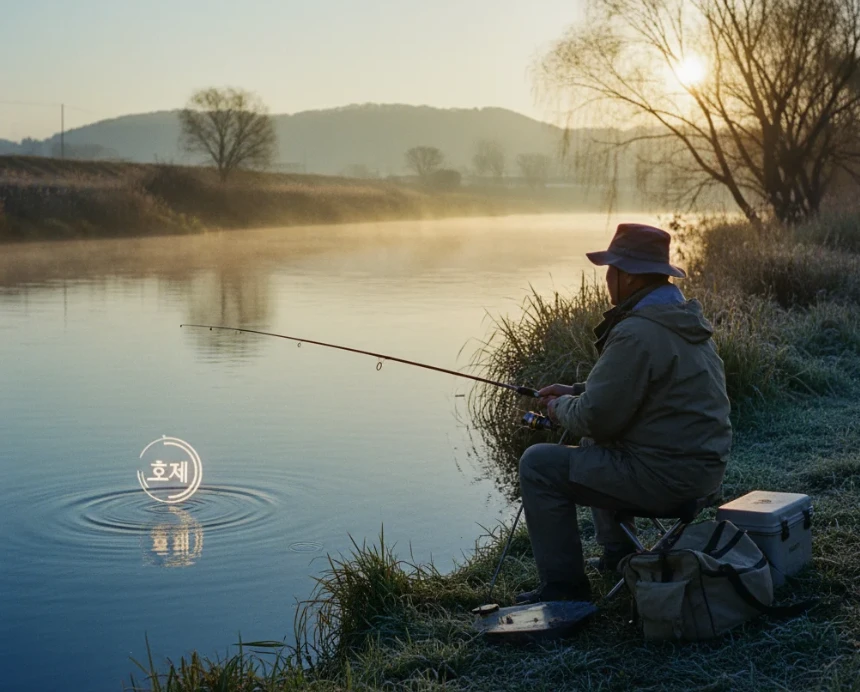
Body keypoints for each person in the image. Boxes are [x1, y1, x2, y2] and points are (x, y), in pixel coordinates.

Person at [516, 223, 732, 604]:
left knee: (538, 465)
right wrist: (577, 392)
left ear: (628, 276)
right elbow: (639, 394)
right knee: (597, 442)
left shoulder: (637, 332)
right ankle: (619, 556)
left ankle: (563, 590)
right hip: (702, 472)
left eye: (610, 270)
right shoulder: (678, 319)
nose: (607, 279)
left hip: (668, 479)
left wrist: (558, 406)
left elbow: (595, 418)